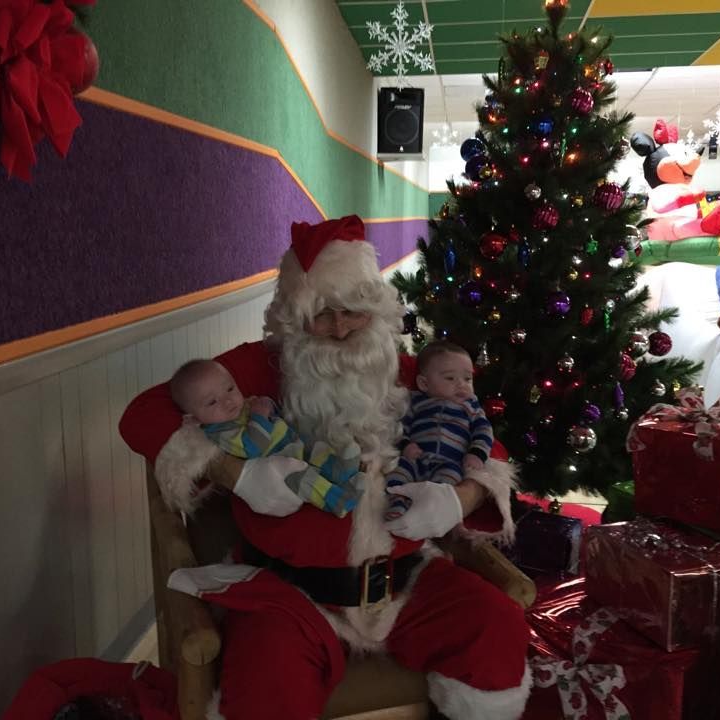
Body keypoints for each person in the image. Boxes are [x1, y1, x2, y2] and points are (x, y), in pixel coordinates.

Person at [119, 214, 531, 720]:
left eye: (353, 310)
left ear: (375, 310)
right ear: (293, 318)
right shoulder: (259, 370)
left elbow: (492, 446)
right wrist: (236, 474)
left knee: (496, 628)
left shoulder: (406, 373)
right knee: (265, 685)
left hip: (406, 584)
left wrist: (459, 498)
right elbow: (141, 416)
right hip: (293, 596)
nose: (339, 329)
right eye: (322, 314)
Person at [169, 358, 363, 518]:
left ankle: (339, 472)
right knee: (304, 479)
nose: (228, 400)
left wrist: (266, 405)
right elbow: (252, 446)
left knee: (321, 450)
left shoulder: (241, 408)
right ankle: (337, 501)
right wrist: (259, 416)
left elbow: (273, 416)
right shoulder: (221, 432)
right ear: (194, 419)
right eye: (212, 402)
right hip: (281, 475)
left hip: (294, 449)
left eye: (229, 388)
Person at [385, 340, 493, 521]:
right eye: (450, 378)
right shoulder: (415, 401)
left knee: (445, 488)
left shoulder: (471, 406)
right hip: (416, 458)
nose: (462, 385)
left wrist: (477, 453)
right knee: (397, 473)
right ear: (424, 383)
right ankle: (398, 501)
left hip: (449, 463)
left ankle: (425, 513)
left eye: (468, 379)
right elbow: (399, 426)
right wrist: (405, 445)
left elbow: (483, 430)